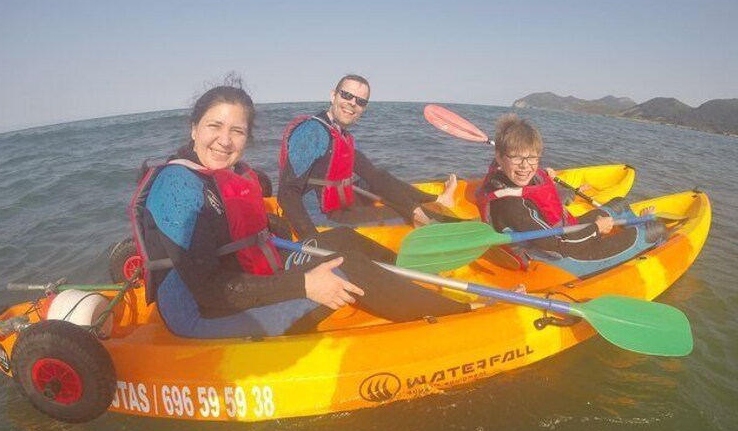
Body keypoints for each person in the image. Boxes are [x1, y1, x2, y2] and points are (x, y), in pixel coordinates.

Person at [129, 79, 469, 339]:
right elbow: (210, 289)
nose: (225, 140)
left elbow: (248, 229)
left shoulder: (228, 174)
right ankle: (462, 317)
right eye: (214, 126)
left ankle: (415, 282)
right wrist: (303, 285)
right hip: (200, 310)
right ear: (194, 128)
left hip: (245, 277)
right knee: (344, 268)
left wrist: (295, 242)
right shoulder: (179, 186)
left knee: (341, 239)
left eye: (237, 130)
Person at [475, 114, 665, 276]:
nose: (525, 166)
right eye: (516, 157)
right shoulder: (511, 204)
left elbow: (541, 198)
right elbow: (558, 245)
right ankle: (645, 241)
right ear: (499, 157)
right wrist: (595, 229)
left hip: (562, 235)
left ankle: (634, 231)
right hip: (561, 260)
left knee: (619, 204)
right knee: (656, 229)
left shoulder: (502, 177)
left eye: (532, 157)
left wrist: (571, 193)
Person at [277, 74, 458, 238]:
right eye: (346, 95)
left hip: (338, 203)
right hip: (322, 217)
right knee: (401, 214)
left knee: (379, 177)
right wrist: (312, 239)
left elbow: (372, 174)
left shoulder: (339, 134)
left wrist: (415, 207)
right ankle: (445, 223)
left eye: (361, 101)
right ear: (333, 95)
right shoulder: (312, 131)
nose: (352, 103)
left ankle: (436, 201)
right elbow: (286, 193)